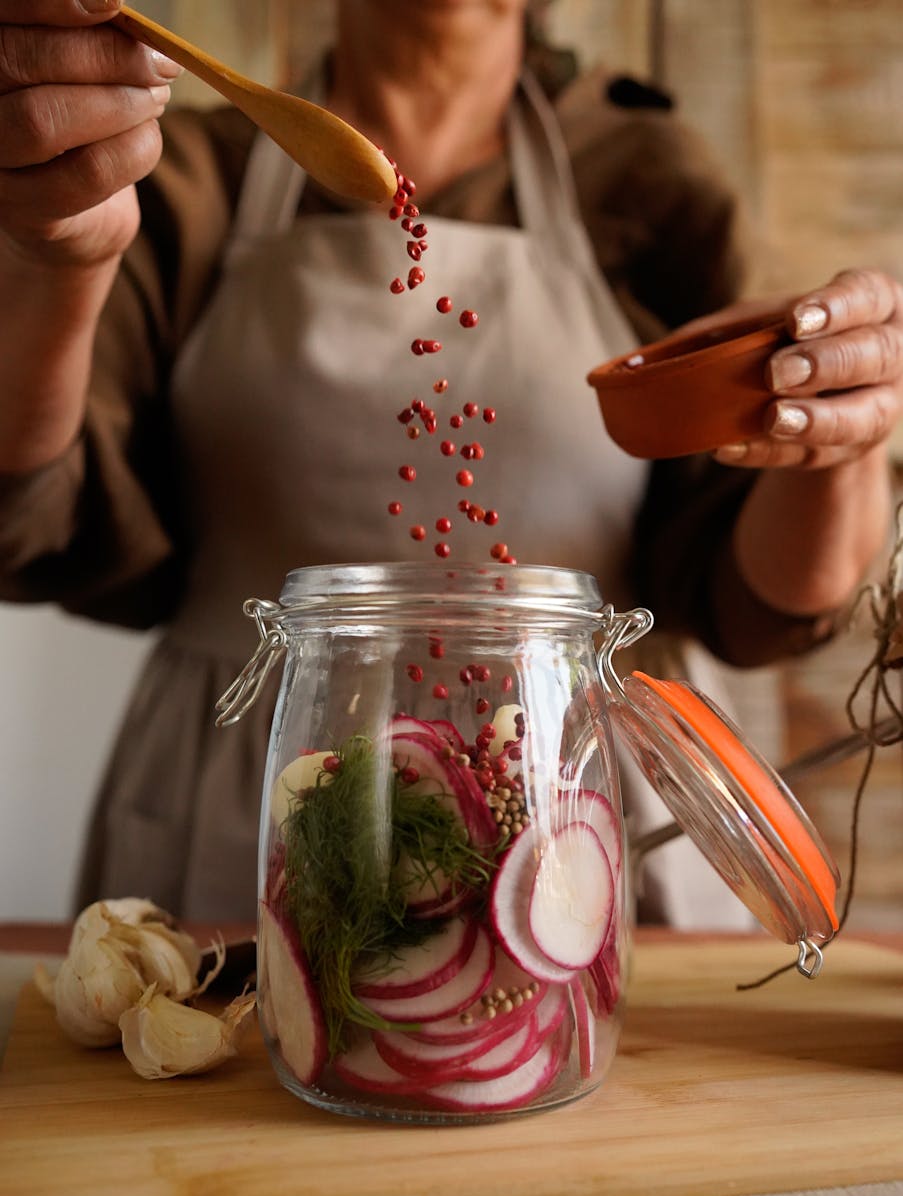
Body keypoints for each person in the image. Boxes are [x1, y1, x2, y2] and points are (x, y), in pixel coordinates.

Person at [0, 0, 899, 924]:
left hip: (572, 796)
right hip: (265, 796)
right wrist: (58, 256)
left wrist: (835, 444)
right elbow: (32, 521)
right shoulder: (175, 173)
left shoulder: (646, 178)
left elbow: (756, 606)